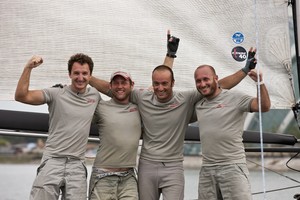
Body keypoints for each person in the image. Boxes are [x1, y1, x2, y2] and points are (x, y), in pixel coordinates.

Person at [89, 31, 256, 200]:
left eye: (164, 84)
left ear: (173, 84)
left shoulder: (186, 98)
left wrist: (245, 70)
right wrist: (87, 77)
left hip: (173, 168)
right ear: (152, 84)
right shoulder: (142, 96)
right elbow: (112, 90)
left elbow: (219, 85)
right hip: (147, 166)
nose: (160, 88)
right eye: (156, 84)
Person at [15, 53, 101, 200]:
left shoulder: (94, 96)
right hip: (52, 161)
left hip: (77, 164)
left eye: (85, 73)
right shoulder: (56, 93)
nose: (80, 77)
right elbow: (21, 96)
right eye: (76, 73)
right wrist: (28, 67)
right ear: (69, 74)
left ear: (90, 75)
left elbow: (116, 96)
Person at [194, 61, 271, 199]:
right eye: (198, 81)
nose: (202, 84)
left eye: (206, 79)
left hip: (233, 167)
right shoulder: (199, 104)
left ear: (216, 79)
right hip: (207, 170)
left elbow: (264, 107)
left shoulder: (235, 97)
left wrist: (260, 83)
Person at [88, 70, 141, 200]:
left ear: (131, 85)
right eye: (116, 83)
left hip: (128, 177)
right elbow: (78, 113)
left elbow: (162, 81)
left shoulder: (140, 107)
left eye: (123, 83)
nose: (120, 86)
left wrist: (171, 54)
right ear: (110, 86)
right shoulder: (100, 107)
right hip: (102, 176)